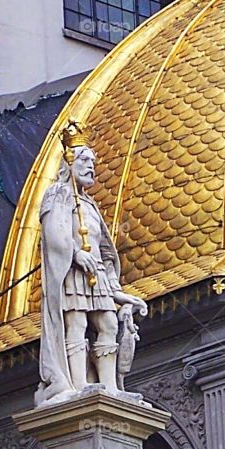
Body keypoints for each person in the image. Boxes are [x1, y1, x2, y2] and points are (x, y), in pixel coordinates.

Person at [36, 121, 147, 404]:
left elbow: (106, 252)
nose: (91, 167)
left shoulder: (90, 204)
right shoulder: (57, 194)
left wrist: (117, 290)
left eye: (93, 162)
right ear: (70, 163)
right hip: (73, 273)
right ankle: (78, 383)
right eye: (85, 161)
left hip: (95, 273)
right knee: (76, 323)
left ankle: (109, 387)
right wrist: (75, 254)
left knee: (108, 323)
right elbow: (54, 234)